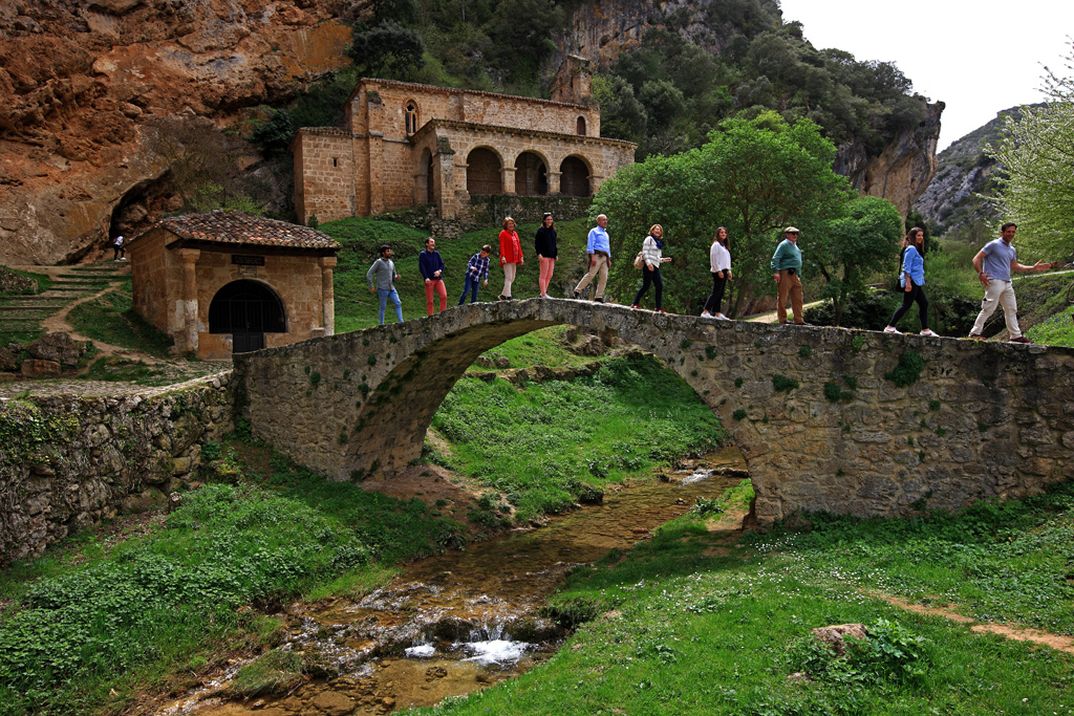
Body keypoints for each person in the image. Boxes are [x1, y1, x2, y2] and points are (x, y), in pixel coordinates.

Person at [968, 222, 1055, 343]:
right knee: (989, 308)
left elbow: (1015, 266)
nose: (1011, 234)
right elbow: (976, 258)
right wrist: (980, 273)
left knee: (1011, 309)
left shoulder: (1012, 249)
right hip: (994, 280)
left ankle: (1016, 336)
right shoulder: (993, 245)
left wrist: (1033, 268)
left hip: (1007, 282)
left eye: (1013, 232)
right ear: (1002, 232)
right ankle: (974, 334)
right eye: (1008, 231)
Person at [884, 227, 937, 336]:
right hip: (911, 281)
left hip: (916, 282)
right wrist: (908, 282)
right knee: (906, 305)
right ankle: (890, 327)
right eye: (918, 235)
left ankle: (925, 330)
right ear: (913, 236)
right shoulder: (911, 249)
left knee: (924, 303)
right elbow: (906, 267)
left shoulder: (916, 249)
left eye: (922, 235)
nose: (921, 238)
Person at [630, 224, 672, 312]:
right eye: (656, 229)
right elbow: (644, 252)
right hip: (648, 265)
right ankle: (635, 303)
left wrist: (663, 260)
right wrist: (648, 264)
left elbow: (656, 257)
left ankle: (658, 307)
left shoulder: (658, 243)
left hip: (655, 265)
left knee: (657, 286)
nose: (658, 231)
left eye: (659, 230)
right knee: (648, 285)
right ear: (652, 231)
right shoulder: (649, 239)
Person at [770, 226, 805, 325]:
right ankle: (782, 319)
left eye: (796, 233)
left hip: (795, 274)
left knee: (798, 297)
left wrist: (798, 274)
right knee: (783, 296)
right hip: (785, 273)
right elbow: (775, 258)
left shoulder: (795, 246)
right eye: (793, 233)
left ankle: (798, 319)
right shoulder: (784, 245)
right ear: (787, 234)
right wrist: (776, 272)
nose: (795, 235)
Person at [573, 214, 611, 302]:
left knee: (604, 276)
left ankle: (599, 296)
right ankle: (577, 291)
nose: (605, 222)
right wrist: (592, 257)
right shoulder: (594, 231)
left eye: (606, 220)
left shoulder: (606, 234)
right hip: (597, 255)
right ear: (598, 221)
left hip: (605, 257)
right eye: (603, 220)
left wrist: (609, 258)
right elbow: (590, 244)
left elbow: (607, 246)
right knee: (591, 274)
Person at [366, 244, 404, 325]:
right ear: (383, 253)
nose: (390, 252)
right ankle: (381, 324)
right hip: (382, 288)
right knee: (383, 307)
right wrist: (371, 286)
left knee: (398, 303)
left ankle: (401, 322)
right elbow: (369, 274)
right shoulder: (378, 262)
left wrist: (397, 277)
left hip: (391, 288)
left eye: (390, 251)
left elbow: (394, 275)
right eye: (388, 251)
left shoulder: (391, 263)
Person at [701, 226, 732, 320]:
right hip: (718, 271)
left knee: (721, 293)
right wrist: (718, 270)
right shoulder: (716, 245)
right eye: (721, 233)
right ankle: (705, 311)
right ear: (718, 234)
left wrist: (729, 270)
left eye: (725, 233)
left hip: (725, 270)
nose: (723, 234)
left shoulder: (725, 246)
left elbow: (727, 259)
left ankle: (717, 313)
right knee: (716, 292)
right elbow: (713, 258)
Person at [418, 237, 448, 316]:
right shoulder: (423, 254)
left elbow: (442, 265)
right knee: (430, 301)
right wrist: (426, 277)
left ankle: (443, 314)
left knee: (444, 296)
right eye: (431, 242)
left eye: (434, 242)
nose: (433, 243)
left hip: (438, 279)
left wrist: (439, 271)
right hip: (429, 280)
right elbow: (422, 267)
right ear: (427, 244)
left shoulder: (436, 254)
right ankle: (430, 316)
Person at [498, 216, 524, 300]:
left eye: (512, 223)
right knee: (508, 277)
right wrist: (503, 256)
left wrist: (521, 256)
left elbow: (518, 246)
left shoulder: (515, 233)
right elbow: (502, 246)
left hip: (514, 258)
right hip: (507, 258)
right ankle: (508, 296)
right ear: (505, 225)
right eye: (509, 223)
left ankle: (503, 295)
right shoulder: (503, 233)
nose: (511, 225)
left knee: (512, 277)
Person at [534, 212, 558, 298]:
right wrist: (539, 254)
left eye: (551, 219)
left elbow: (554, 244)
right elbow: (537, 244)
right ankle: (543, 294)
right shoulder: (540, 231)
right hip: (544, 256)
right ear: (544, 220)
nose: (549, 221)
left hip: (552, 256)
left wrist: (556, 254)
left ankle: (543, 293)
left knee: (550, 274)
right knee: (543, 275)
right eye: (548, 219)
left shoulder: (553, 231)